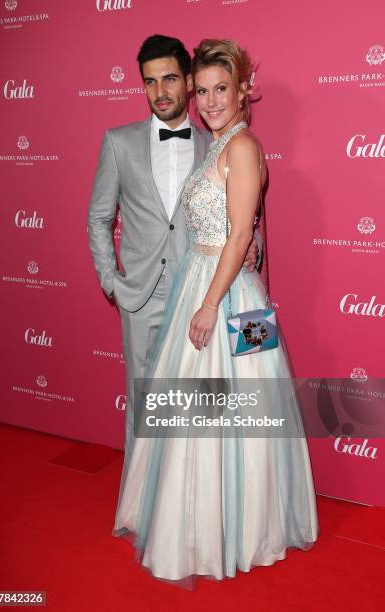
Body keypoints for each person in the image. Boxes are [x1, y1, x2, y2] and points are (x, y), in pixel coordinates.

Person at [113, 38, 319, 587]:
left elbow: (240, 235)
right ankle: (196, 522)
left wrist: (208, 306)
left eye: (219, 89)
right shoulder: (218, 144)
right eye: (200, 90)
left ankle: (241, 528)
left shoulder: (243, 145)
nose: (208, 101)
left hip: (228, 298)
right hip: (203, 284)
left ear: (242, 90)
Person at [87, 35, 262, 470]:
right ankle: (139, 497)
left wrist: (249, 239)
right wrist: (112, 280)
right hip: (141, 297)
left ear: (186, 81)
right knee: (145, 403)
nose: (160, 92)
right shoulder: (118, 142)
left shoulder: (216, 142)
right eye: (149, 82)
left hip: (201, 295)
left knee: (203, 406)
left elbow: (237, 218)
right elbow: (98, 218)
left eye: (170, 79)